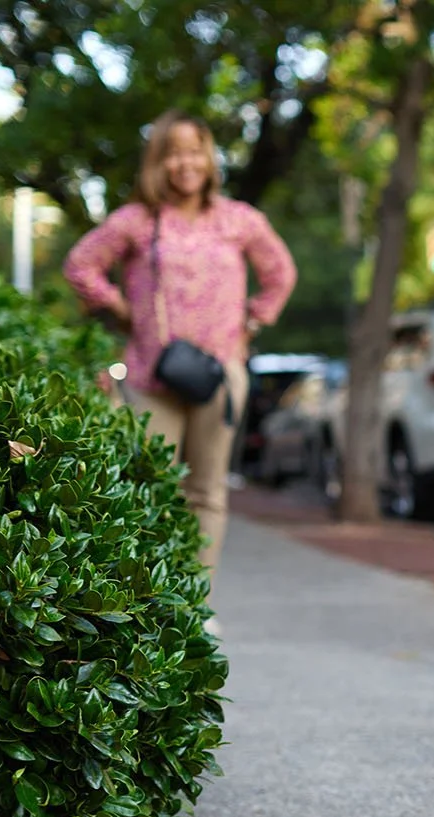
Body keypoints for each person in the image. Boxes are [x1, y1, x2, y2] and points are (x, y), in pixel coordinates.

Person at [65, 110, 297, 618]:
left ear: (208, 158)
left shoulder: (238, 219)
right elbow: (80, 264)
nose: (184, 163)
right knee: (148, 489)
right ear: (158, 161)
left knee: (207, 492)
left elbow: (280, 273)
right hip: (150, 375)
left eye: (194, 150)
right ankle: (146, 603)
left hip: (219, 374)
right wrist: (124, 311)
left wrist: (253, 322)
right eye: (173, 152)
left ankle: (195, 609)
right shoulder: (136, 221)